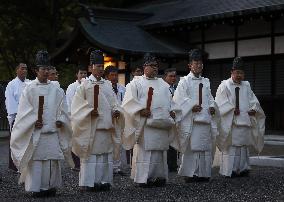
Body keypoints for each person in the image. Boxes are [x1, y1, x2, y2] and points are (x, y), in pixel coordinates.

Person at [10, 50, 74, 197]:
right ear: (36, 71)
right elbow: (23, 112)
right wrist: (33, 122)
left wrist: (61, 120)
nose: (46, 72)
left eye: (48, 69)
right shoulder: (30, 89)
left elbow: (63, 108)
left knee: (51, 160)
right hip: (37, 132)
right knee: (37, 161)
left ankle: (50, 186)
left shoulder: (56, 89)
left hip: (52, 132)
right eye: (43, 69)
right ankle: (36, 188)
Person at [122, 53, 180, 187]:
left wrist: (172, 110)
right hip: (145, 123)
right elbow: (128, 103)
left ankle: (159, 177)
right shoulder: (135, 83)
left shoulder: (163, 84)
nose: (155, 68)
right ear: (144, 67)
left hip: (161, 122)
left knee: (160, 151)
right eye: (152, 66)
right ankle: (144, 178)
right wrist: (140, 110)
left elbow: (171, 101)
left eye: (156, 66)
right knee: (146, 152)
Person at [71, 50, 122, 192]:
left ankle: (104, 181)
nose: (100, 69)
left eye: (101, 66)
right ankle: (89, 182)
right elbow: (76, 107)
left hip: (106, 126)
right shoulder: (84, 85)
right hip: (91, 127)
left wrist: (116, 111)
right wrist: (88, 112)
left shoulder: (107, 85)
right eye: (97, 66)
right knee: (91, 155)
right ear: (90, 67)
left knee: (105, 155)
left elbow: (114, 102)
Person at [173, 49, 219, 182]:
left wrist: (211, 107)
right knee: (192, 149)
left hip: (205, 120)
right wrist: (191, 106)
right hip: (192, 120)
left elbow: (210, 98)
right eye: (195, 63)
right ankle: (191, 174)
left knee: (205, 148)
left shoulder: (206, 81)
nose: (198, 66)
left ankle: (203, 173)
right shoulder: (184, 81)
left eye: (200, 63)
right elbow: (179, 99)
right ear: (190, 65)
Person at [215, 57, 265, 178]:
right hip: (231, 122)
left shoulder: (246, 86)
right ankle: (229, 170)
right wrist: (231, 110)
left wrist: (254, 109)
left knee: (243, 146)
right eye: (237, 72)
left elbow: (254, 101)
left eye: (241, 73)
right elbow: (220, 103)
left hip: (245, 120)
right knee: (232, 146)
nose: (239, 75)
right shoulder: (224, 86)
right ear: (232, 72)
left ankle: (243, 168)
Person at [5, 63, 30, 172]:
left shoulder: (30, 83)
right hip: (17, 116)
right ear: (17, 70)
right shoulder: (11, 84)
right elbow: (10, 102)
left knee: (27, 142)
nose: (24, 70)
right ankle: (14, 165)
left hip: (29, 116)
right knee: (16, 141)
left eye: (26, 68)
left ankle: (26, 164)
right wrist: (16, 116)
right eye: (22, 68)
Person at [104, 65, 127, 175]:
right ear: (107, 76)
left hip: (119, 117)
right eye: (112, 75)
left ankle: (117, 167)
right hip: (108, 118)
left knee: (118, 142)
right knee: (109, 142)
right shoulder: (104, 88)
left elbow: (126, 103)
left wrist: (120, 111)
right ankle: (109, 166)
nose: (114, 77)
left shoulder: (122, 88)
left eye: (115, 75)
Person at [66, 64, 88, 171]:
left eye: (85, 73)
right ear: (77, 75)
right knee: (75, 140)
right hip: (74, 116)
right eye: (81, 73)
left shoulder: (89, 85)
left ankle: (84, 161)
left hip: (86, 117)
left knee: (85, 139)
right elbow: (70, 103)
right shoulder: (71, 87)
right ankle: (76, 164)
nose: (83, 75)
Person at [163, 68, 178, 172]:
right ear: (165, 77)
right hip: (166, 116)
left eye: (174, 76)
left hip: (176, 117)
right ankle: (166, 164)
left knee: (175, 140)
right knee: (166, 141)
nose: (173, 78)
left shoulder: (177, 88)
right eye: (170, 76)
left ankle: (173, 164)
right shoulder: (162, 88)